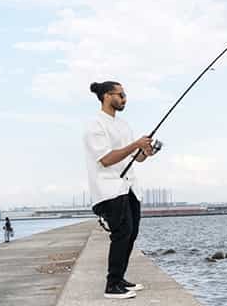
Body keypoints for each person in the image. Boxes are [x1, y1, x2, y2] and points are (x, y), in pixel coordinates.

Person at [84, 81, 160, 299]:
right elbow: (106, 159)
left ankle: (120, 278)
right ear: (107, 96)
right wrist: (134, 145)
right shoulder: (95, 125)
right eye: (121, 95)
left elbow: (135, 157)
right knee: (121, 233)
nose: (125, 99)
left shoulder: (124, 125)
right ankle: (112, 285)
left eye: (125, 95)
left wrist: (145, 151)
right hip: (109, 188)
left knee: (131, 233)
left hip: (130, 187)